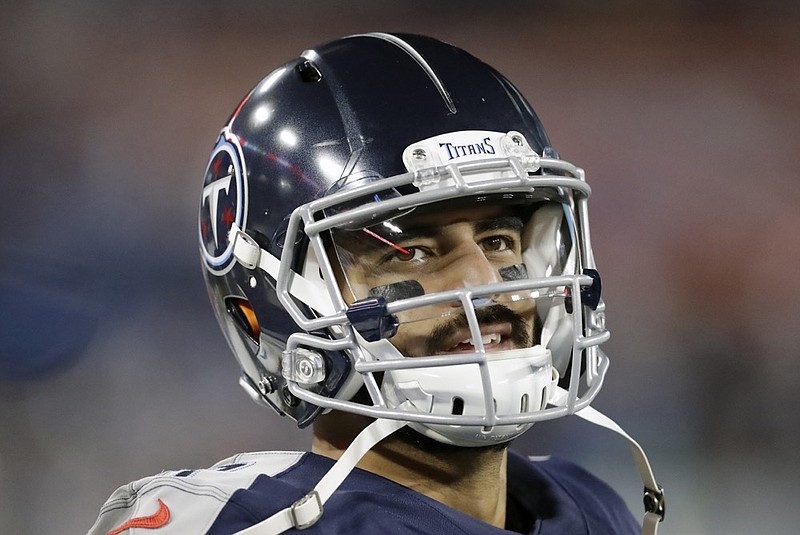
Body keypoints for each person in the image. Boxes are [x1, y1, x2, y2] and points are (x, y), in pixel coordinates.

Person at [88, 33, 664, 535]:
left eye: (498, 241)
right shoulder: (234, 523)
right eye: (410, 251)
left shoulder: (591, 510)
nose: (482, 281)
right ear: (274, 295)